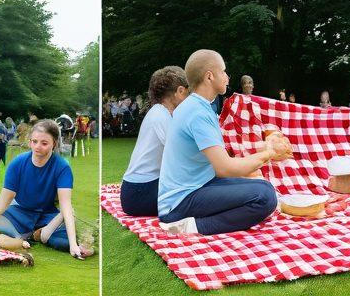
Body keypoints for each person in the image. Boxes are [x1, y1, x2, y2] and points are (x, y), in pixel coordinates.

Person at [157, 50, 284, 236]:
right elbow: (225, 168)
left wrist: (257, 162)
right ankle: (194, 226)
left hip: (199, 185)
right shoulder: (197, 113)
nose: (227, 77)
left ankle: (197, 221)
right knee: (265, 197)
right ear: (209, 76)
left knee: (263, 186)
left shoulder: (198, 106)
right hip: (179, 202)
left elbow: (220, 162)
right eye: (223, 71)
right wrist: (269, 153)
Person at [0, 118, 92, 258]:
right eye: (34, 141)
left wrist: (73, 245)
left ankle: (39, 235)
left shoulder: (62, 167)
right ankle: (32, 237)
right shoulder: (17, 164)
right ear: (30, 142)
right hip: (19, 212)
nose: (37, 147)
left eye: (44, 143)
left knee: (61, 243)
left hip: (47, 215)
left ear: (54, 144)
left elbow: (66, 205)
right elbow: (1, 203)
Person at [120, 66, 189, 217]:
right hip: (139, 193)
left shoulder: (160, 113)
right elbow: (184, 156)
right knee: (200, 193)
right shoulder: (161, 116)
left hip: (139, 189)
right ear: (180, 91)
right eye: (188, 92)